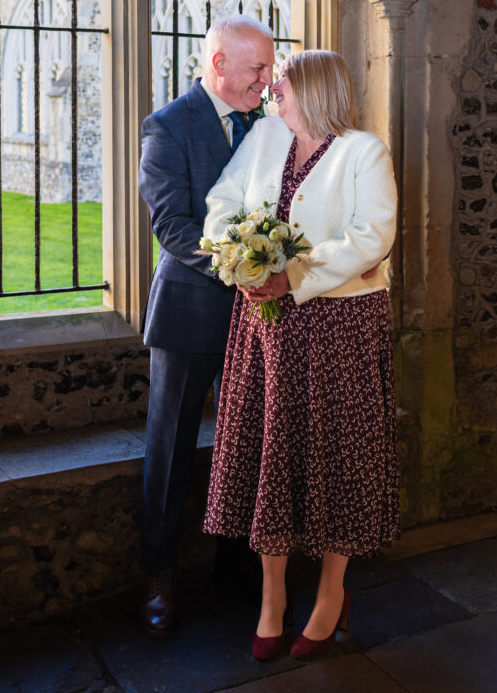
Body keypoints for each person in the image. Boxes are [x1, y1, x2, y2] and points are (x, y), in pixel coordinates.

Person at [202, 48, 400, 661]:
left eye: (280, 87)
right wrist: (237, 259)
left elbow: (373, 234)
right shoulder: (263, 138)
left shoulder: (363, 151)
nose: (271, 96)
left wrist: (297, 275)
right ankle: (271, 601)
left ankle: (330, 595)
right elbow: (221, 202)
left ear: (313, 92)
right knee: (270, 456)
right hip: (264, 326)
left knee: (337, 457)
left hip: (340, 325)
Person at [138, 16, 275, 638]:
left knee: (247, 441)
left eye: (270, 69)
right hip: (191, 310)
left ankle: (239, 567)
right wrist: (243, 267)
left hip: (258, 317)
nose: (267, 81)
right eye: (257, 70)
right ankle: (160, 575)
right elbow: (172, 226)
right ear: (219, 64)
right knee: (169, 448)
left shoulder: (270, 124)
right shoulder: (167, 126)